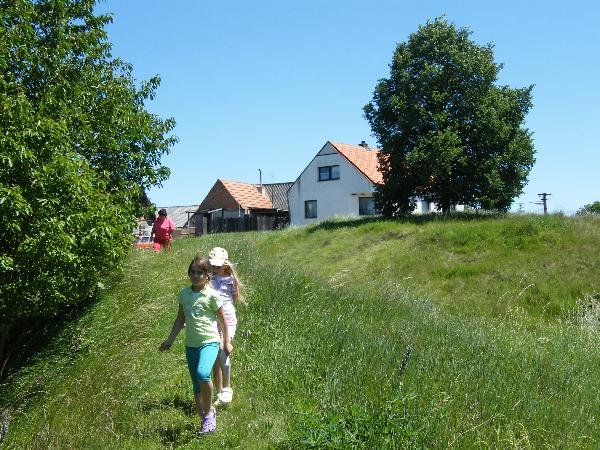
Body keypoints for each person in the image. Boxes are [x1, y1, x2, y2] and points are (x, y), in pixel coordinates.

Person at [159, 255, 233, 435]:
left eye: (200, 272)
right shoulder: (184, 294)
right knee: (196, 385)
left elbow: (223, 320)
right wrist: (170, 340)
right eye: (192, 272)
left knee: (202, 373)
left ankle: (208, 414)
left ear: (208, 275)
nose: (195, 275)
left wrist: (226, 341)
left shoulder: (212, 295)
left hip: (209, 342)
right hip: (190, 344)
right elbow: (180, 319)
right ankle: (207, 416)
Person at [209, 246, 245, 406]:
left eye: (219, 265)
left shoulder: (231, 279)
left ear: (225, 265)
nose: (216, 268)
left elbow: (234, 298)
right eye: (213, 265)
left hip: (228, 321)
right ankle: (219, 392)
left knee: (224, 351)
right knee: (214, 358)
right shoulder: (208, 279)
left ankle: (227, 388)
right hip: (212, 321)